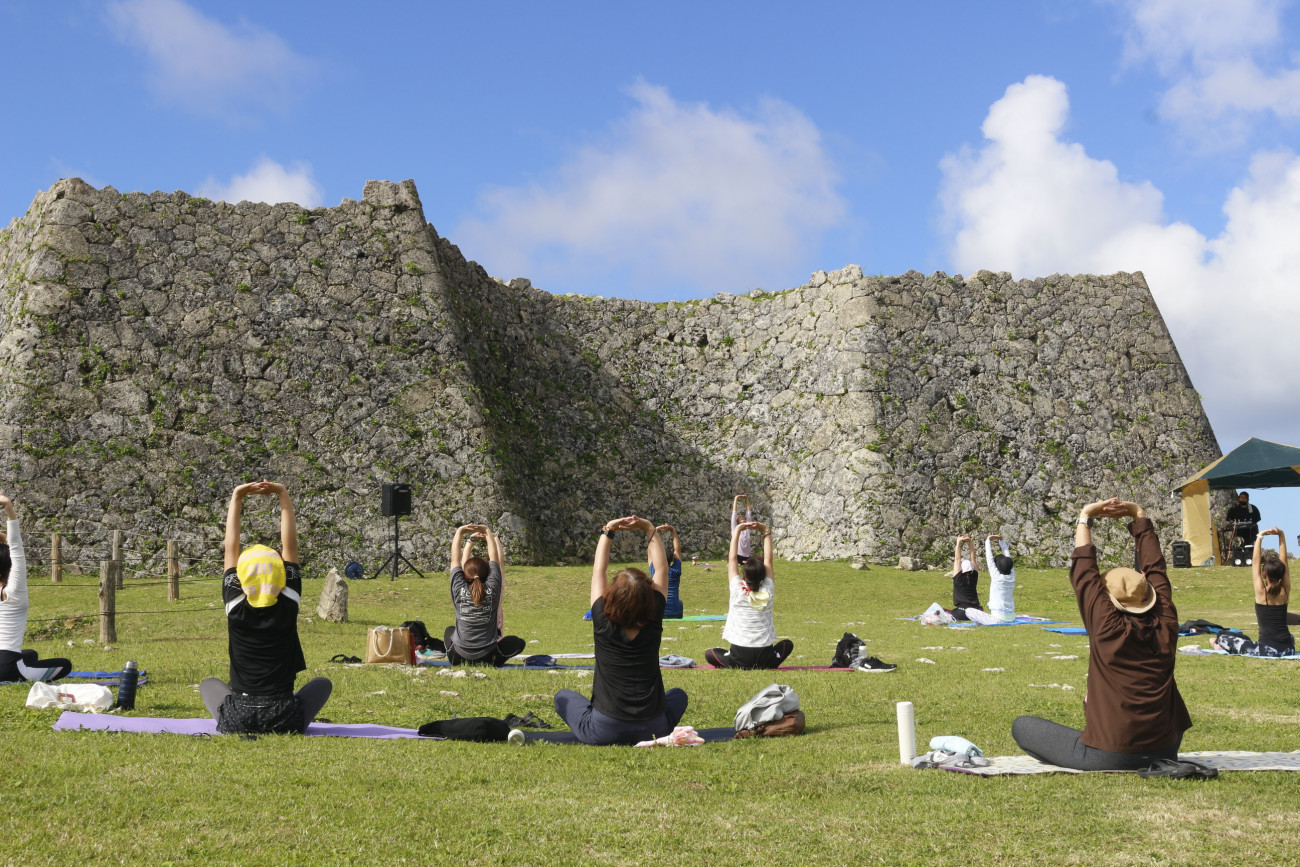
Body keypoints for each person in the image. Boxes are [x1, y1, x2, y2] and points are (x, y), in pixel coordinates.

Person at [1012, 498, 1191, 770]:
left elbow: (1085, 571)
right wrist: (1138, 516)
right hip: (1166, 747)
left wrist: (1085, 517)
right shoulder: (1166, 620)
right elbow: (1156, 569)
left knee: (1022, 726)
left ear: (1109, 601)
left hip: (1110, 753)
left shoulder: (1106, 626)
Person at [201, 481, 331, 734]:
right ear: (280, 574)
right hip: (284, 715)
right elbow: (290, 545)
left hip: (239, 715)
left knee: (209, 684)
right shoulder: (289, 599)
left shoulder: (235, 605)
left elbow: (230, 548)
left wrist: (237, 496)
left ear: (242, 577)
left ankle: (234, 719)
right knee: (322, 683)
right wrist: (282, 493)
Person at [553, 515, 688, 745]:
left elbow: (599, 571)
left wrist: (608, 531)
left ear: (612, 595)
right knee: (679, 695)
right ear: (649, 597)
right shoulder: (654, 617)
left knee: (562, 696)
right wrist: (649, 529)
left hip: (605, 730)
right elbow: (662, 570)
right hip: (655, 728)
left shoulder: (602, 620)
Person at [0, 493, 72, 683]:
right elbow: (16, 547)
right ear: (9, 567)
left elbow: (12, 548)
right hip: (7, 667)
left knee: (31, 654)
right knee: (65, 665)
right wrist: (8, 507)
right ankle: (21, 675)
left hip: (5, 658)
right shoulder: (14, 591)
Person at [704, 519, 793, 669]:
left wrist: (738, 530)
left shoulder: (737, 588)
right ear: (763, 576)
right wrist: (766, 531)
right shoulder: (768, 590)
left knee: (710, 654)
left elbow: (732, 558)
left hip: (739, 658)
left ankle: (738, 662)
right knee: (787, 644)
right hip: (765, 657)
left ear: (744, 576)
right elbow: (769, 560)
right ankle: (769, 662)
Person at [442, 523, 524, 666]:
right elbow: (495, 558)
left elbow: (455, 559)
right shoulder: (493, 587)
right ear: (488, 573)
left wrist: (460, 532)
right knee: (518, 643)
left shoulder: (458, 587)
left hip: (458, 657)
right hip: (488, 656)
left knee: (450, 630)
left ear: (464, 574)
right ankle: (493, 660)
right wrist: (487, 531)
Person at [1212, 528, 1294, 657]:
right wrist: (1281, 535)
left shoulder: (1262, 593)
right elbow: (1284, 562)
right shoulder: (1285, 590)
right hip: (1288, 648)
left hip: (1268, 650)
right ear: (1282, 573)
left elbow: (1255, 562)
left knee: (1222, 637)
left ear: (1264, 574)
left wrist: (1259, 536)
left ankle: (1217, 644)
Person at [946, 535, 985, 621]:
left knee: (941, 611)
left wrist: (958, 542)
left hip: (962, 612)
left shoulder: (958, 578)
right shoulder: (974, 576)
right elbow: (973, 558)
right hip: (976, 611)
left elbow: (957, 559)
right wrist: (970, 542)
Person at [654, 523, 685, 619]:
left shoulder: (655, 571)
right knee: (680, 603)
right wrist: (673, 531)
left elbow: (651, 549)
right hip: (676, 612)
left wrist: (654, 531)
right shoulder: (676, 570)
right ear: (671, 559)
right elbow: (677, 550)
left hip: (659, 612)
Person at [984, 533, 1016, 623]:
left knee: (969, 611)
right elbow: (1008, 558)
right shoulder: (1012, 576)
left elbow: (989, 558)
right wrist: (1002, 541)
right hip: (1011, 618)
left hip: (997, 617)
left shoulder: (997, 577)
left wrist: (988, 540)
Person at [731, 495, 753, 563]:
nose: (741, 517)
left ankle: (744, 562)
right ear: (737, 522)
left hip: (748, 556)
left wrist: (746, 498)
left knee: (759, 560)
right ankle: (741, 562)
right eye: (739, 517)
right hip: (738, 555)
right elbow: (734, 513)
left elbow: (748, 512)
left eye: (742, 517)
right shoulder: (735, 529)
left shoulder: (747, 527)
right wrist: (736, 498)